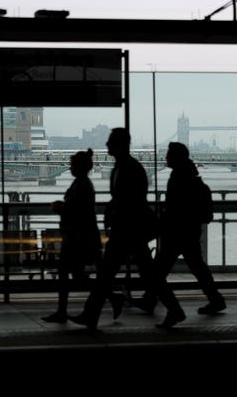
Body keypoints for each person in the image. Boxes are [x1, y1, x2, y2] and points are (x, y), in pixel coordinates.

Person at [69, 128, 157, 330]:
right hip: (124, 229)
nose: (107, 145)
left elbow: (132, 200)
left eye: (110, 142)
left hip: (127, 229)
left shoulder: (130, 168)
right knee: (120, 275)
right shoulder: (123, 167)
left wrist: (116, 211)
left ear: (121, 144)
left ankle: (91, 315)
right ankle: (92, 314)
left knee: (109, 275)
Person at [153, 142, 226, 329]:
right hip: (190, 230)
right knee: (198, 268)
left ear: (176, 158)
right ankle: (215, 299)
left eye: (169, 155)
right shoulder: (190, 175)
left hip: (177, 232)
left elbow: (176, 208)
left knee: (157, 273)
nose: (166, 158)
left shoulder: (178, 177)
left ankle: (172, 310)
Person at [42, 149, 101, 323]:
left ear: (81, 167)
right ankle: (111, 296)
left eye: (73, 165)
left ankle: (62, 312)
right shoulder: (82, 183)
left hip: (78, 239)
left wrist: (60, 207)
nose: (70, 168)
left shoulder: (81, 185)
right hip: (80, 237)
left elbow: (76, 211)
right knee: (76, 277)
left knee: (68, 275)